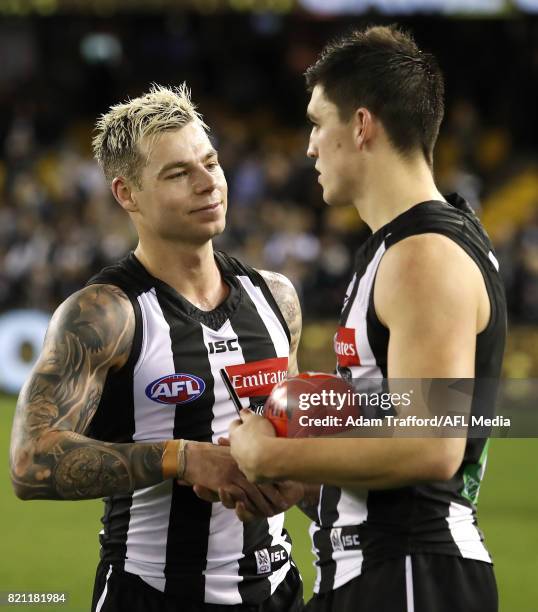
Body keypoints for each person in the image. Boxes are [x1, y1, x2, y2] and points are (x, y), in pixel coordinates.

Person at [228, 25, 506, 612]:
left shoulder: (424, 256)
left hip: (409, 570)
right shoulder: (401, 246)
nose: (308, 147)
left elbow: (431, 446)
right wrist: (309, 486)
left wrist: (275, 456)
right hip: (382, 568)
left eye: (315, 122)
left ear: (360, 126)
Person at [9, 85, 305, 612]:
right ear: (127, 194)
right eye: (177, 173)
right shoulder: (104, 313)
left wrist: (299, 478)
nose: (207, 183)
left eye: (210, 162)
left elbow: (296, 437)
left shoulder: (276, 298)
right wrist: (184, 459)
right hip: (151, 595)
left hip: (277, 592)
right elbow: (30, 463)